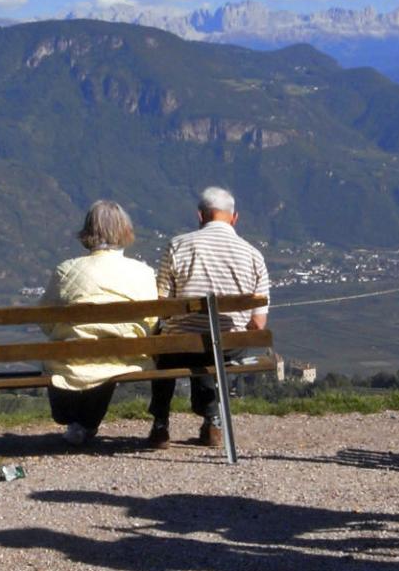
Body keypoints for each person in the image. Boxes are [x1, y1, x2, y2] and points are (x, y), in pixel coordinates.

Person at [147, 187, 271, 449]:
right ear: (234, 218)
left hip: (180, 346)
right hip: (227, 346)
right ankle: (213, 421)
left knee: (164, 341)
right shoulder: (254, 256)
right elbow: (258, 324)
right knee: (214, 347)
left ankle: (160, 424)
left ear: (200, 216)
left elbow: (163, 307)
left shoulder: (177, 246)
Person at [39, 200, 158, 447]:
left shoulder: (67, 270)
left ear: (88, 231)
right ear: (125, 230)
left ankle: (76, 421)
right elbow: (151, 321)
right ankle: (85, 423)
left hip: (71, 358)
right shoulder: (142, 272)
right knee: (109, 360)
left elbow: (45, 317)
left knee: (70, 356)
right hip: (125, 358)